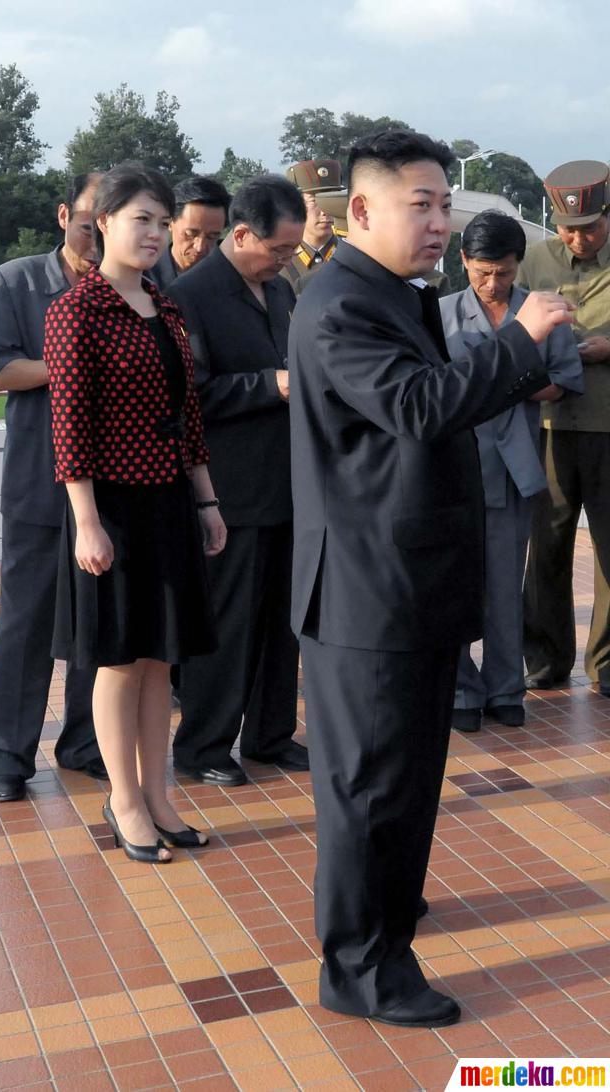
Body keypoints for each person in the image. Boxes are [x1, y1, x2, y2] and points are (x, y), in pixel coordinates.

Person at [289, 129, 574, 1027]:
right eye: (423, 204)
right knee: (372, 785)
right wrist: (519, 343)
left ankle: (386, 914)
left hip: (406, 581)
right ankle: (362, 967)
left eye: (446, 204)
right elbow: (418, 407)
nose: (441, 222)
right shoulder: (341, 304)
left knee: (406, 777)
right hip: (367, 591)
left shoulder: (394, 295)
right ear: (360, 210)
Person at [44, 163, 226, 863]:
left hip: (170, 500)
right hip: (111, 507)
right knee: (119, 660)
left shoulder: (165, 305)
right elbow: (71, 426)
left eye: (160, 220)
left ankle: (160, 795)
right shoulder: (76, 310)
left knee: (160, 658)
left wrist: (206, 499)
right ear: (104, 225)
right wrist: (86, 521)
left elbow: (189, 416)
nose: (153, 233)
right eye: (139, 219)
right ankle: (123, 800)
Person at [167, 175, 308, 787]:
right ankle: (203, 746)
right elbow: (186, 395)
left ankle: (271, 734)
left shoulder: (280, 292)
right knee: (226, 625)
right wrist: (267, 385)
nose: (285, 261)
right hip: (229, 490)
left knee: (284, 621)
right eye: (278, 249)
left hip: (289, 485)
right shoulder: (191, 295)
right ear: (243, 233)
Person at [0, 173, 105, 803]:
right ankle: (7, 753)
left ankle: (84, 743)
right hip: (39, 481)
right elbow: (2, 369)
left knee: (96, 624)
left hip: (112, 482)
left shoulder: (132, 287)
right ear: (64, 215)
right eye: (88, 223)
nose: (97, 239)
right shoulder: (17, 280)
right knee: (25, 625)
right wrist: (79, 364)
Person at [440, 210, 583, 733]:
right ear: (463, 262)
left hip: (514, 464)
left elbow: (564, 380)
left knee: (504, 583)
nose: (492, 283)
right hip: (456, 467)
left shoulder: (541, 312)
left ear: (518, 265)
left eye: (502, 271)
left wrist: (516, 381)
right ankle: (459, 688)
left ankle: (505, 687)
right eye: (481, 271)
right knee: (456, 583)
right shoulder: (441, 314)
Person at [520, 160, 610, 693]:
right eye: (569, 228)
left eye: (592, 226)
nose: (579, 237)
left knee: (608, 548)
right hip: (547, 425)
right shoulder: (533, 262)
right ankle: (546, 660)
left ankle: (606, 665)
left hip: (607, 426)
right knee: (547, 544)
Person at [150, 176, 231, 290]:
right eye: (190, 234)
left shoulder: (229, 280)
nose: (200, 247)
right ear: (170, 222)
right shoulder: (143, 277)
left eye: (212, 237)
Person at [282, 160, 343, 294]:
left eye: (330, 200)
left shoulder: (350, 256)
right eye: (314, 201)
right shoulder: (281, 264)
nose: (325, 211)